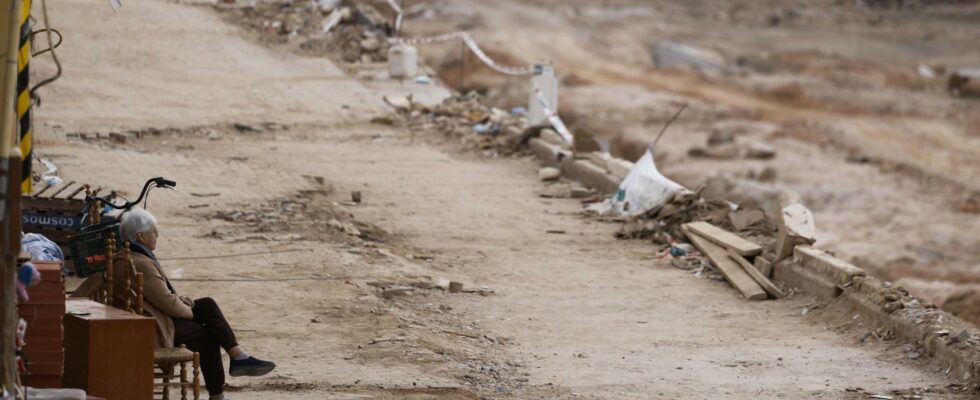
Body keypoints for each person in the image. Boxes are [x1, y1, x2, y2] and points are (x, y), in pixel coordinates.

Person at [113, 208, 275, 400]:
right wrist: (189, 311)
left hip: (148, 318)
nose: (157, 235)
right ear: (141, 236)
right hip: (152, 327)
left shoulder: (128, 256)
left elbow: (158, 296)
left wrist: (180, 300)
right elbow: (168, 304)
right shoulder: (140, 263)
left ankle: (237, 356)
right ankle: (224, 383)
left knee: (207, 305)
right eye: (153, 231)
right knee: (207, 336)